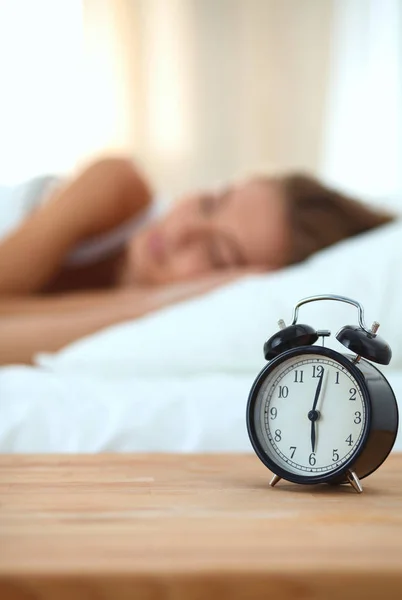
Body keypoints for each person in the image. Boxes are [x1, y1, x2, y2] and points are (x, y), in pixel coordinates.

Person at [0, 157, 393, 364]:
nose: (185, 229)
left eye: (217, 253)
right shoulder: (118, 186)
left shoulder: (156, 325)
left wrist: (164, 303)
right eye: (209, 203)